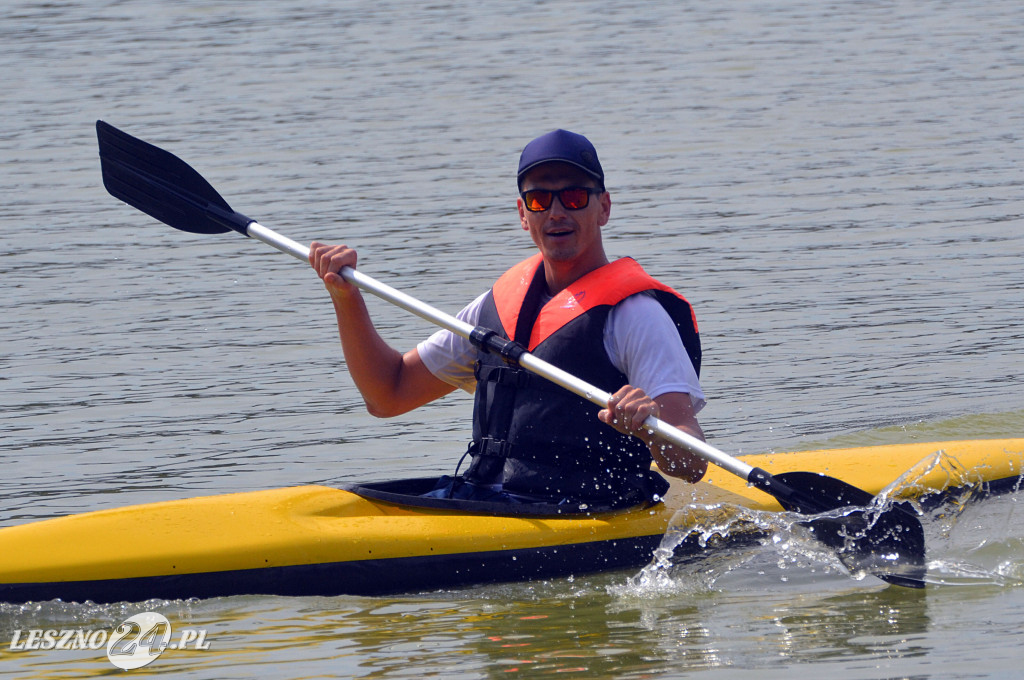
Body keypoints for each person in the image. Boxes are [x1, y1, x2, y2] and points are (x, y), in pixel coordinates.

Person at [310, 129, 707, 509]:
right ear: (522, 213)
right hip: (488, 500)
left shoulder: (636, 315)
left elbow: (692, 464)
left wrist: (647, 426)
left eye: (573, 197)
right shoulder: (496, 307)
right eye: (539, 200)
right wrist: (346, 297)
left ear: (603, 207)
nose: (555, 212)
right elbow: (388, 395)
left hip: (583, 513)